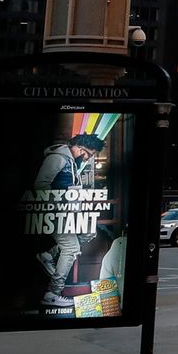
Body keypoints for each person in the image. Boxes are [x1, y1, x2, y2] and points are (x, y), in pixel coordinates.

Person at [34, 133, 104, 310]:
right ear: (80, 148)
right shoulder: (57, 158)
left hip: (69, 214)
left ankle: (48, 255)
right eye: (89, 154)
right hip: (57, 214)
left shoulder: (71, 161)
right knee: (71, 248)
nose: (88, 158)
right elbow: (40, 185)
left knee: (89, 232)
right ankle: (52, 294)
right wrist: (58, 206)